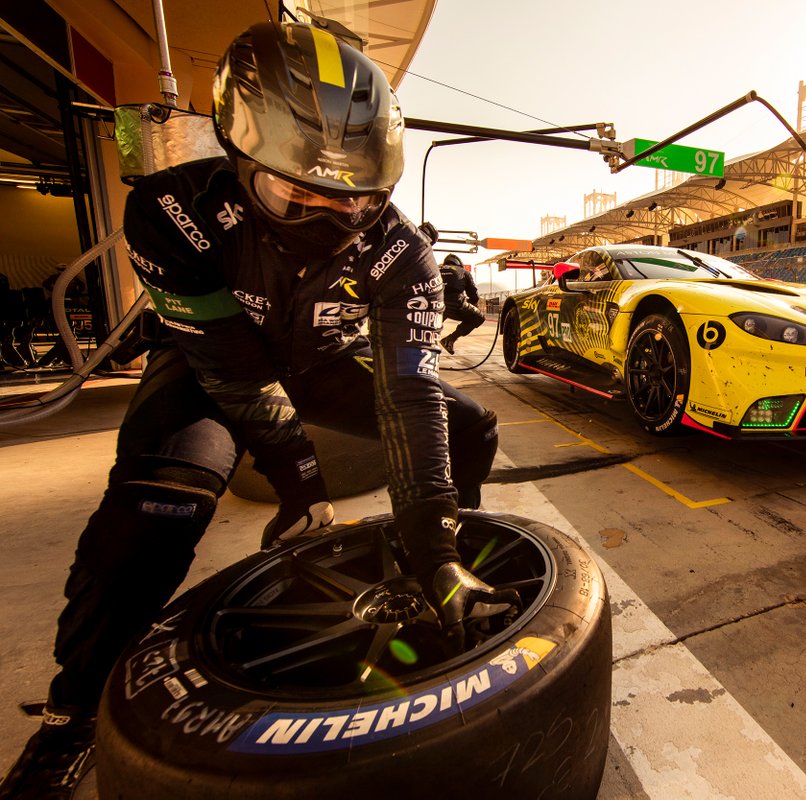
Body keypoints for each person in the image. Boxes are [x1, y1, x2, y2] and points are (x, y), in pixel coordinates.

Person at [0, 21, 513, 798]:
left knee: (470, 425)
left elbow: (410, 397)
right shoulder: (170, 211)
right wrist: (302, 485)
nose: (333, 220)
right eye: (298, 193)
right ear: (238, 156)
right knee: (155, 513)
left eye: (358, 197)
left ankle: (445, 569)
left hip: (322, 363)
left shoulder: (404, 255)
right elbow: (235, 374)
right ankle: (71, 714)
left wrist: (433, 543)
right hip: (210, 363)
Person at [438, 253, 485, 354]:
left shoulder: (436, 270)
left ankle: (424, 343)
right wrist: (473, 306)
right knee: (480, 317)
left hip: (436, 304)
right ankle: (450, 339)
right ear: (459, 263)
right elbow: (474, 296)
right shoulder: (464, 272)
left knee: (432, 323)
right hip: (456, 305)